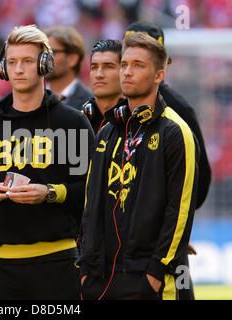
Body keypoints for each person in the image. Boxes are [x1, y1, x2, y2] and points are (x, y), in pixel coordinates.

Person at [0, 24, 94, 300]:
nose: (18, 69)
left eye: (27, 61)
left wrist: (51, 194)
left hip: (58, 263)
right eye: (12, 62)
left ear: (44, 65)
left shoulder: (72, 122)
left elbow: (93, 190)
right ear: (2, 68)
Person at [77, 32, 198, 300]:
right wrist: (86, 266)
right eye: (124, 65)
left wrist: (155, 273)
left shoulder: (175, 131)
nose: (127, 72)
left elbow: (180, 210)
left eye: (138, 65)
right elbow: (91, 202)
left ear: (159, 75)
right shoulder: (107, 131)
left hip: (147, 279)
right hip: (99, 278)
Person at [124, 20, 212, 300]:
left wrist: (177, 223)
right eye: (127, 60)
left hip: (164, 238)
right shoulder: (114, 111)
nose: (131, 70)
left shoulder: (178, 109)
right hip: (117, 239)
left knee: (178, 286)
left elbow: (201, 173)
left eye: (141, 62)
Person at [44, 25, 92, 109]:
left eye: (52, 52)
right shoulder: (30, 99)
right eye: (43, 53)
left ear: (73, 59)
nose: (45, 58)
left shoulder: (90, 104)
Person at [82, 40, 124, 134]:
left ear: (124, 72)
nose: (99, 74)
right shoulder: (76, 122)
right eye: (94, 67)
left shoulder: (137, 124)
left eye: (108, 67)